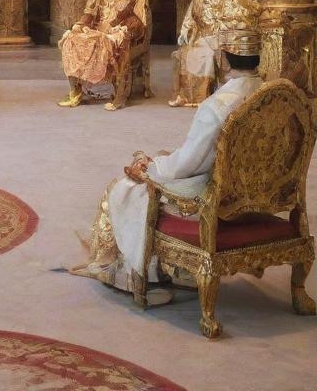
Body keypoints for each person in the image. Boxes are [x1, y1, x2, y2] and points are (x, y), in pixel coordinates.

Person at [70, 38, 264, 304]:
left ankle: (136, 275)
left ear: (225, 59)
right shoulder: (275, 94)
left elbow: (184, 167)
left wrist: (151, 167)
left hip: (216, 197)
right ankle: (176, 266)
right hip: (258, 191)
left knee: (126, 188)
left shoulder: (217, 108)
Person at [58, 0, 148, 110]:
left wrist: (124, 30)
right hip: (98, 30)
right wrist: (79, 24)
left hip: (118, 32)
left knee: (116, 43)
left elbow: (139, 20)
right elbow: (89, 13)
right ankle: (75, 90)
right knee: (70, 40)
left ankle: (119, 95)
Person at [169, 0, 261, 107]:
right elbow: (189, 19)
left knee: (208, 54)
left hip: (222, 38)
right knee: (189, 52)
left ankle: (204, 96)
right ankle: (189, 96)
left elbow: (239, 13)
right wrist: (184, 32)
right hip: (202, 37)